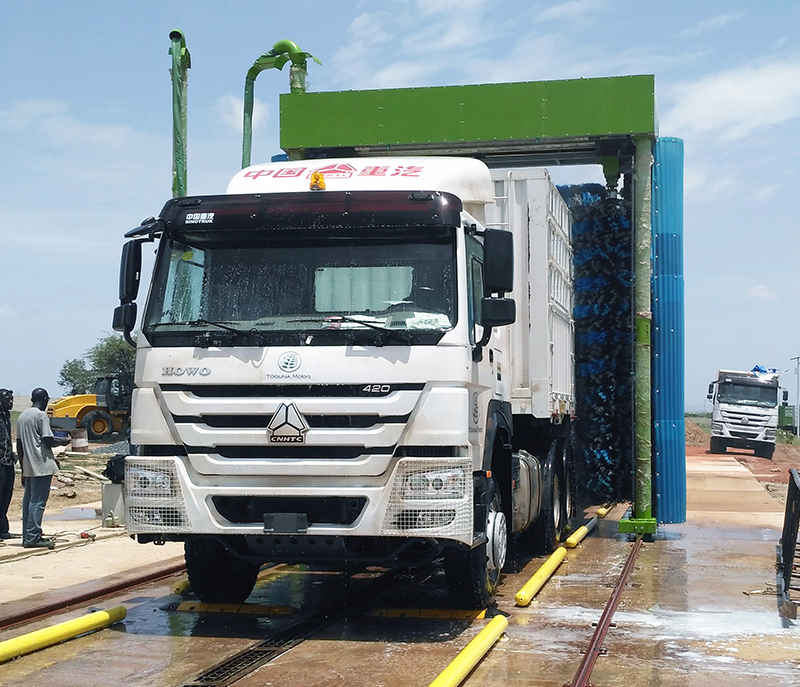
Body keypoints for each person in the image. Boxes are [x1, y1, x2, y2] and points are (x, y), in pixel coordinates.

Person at [16, 388, 70, 549]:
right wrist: (63, 441)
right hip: (41, 464)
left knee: (29, 501)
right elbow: (48, 440)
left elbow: (19, 445)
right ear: (45, 399)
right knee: (38, 502)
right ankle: (33, 537)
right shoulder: (41, 416)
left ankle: (28, 535)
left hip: (29, 465)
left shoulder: (22, 416)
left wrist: (23, 467)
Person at [0, 388, 16, 542]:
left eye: (12, 399)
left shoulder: (7, 415)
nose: (10, 402)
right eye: (7, 399)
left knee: (6, 495)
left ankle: (2, 529)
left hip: (8, 462)